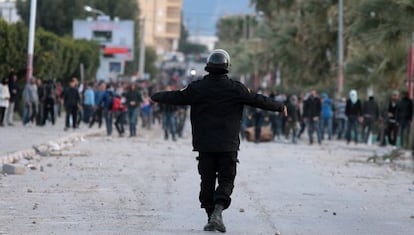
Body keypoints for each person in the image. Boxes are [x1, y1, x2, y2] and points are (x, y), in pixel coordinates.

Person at [151, 49, 286, 233]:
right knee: (226, 179)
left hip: (204, 145)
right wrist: (279, 107)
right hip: (227, 145)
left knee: (206, 181)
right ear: (227, 67)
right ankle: (218, 212)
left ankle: (212, 217)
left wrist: (155, 96)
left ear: (208, 67)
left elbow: (175, 96)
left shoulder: (197, 88)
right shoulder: (236, 88)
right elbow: (258, 100)